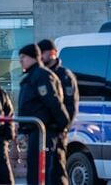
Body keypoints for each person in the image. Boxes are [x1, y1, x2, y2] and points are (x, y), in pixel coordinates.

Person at [16, 44, 70, 185]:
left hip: (45, 132)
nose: (20, 61)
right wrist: (23, 129)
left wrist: (61, 127)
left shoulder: (41, 76)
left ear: (33, 57)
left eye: (23, 57)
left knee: (46, 173)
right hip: (36, 132)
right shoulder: (31, 76)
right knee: (36, 172)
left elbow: (53, 103)